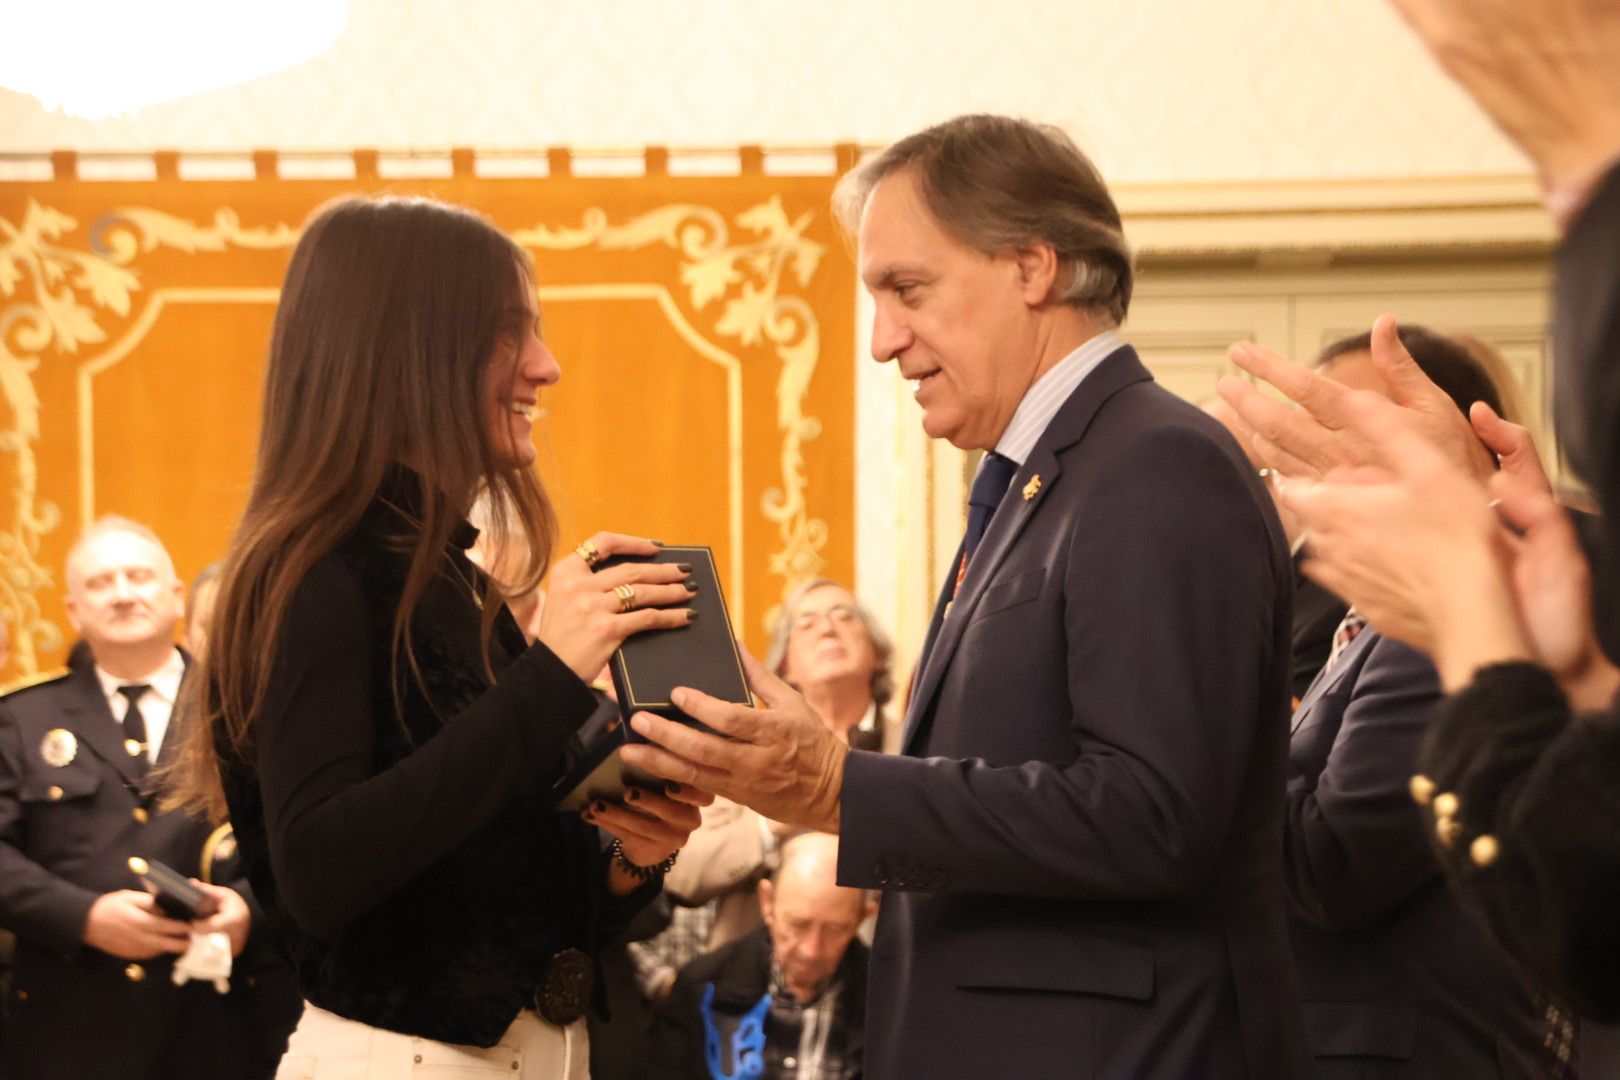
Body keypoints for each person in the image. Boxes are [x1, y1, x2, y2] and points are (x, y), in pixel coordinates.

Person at [623, 114, 1310, 1078]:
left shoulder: (1155, 464)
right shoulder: (1038, 480)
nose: (879, 341)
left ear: (1033, 267)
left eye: (907, 289)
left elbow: (1153, 814)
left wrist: (837, 788)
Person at [164, 195, 710, 1079]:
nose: (548, 367)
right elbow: (320, 872)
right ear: (410, 349)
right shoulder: (315, 571)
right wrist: (552, 674)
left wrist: (625, 862)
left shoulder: (451, 582)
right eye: (511, 334)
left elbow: (491, 910)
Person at [1279, 329, 1563, 1075]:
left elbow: (1337, 863)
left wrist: (1203, 738)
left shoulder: (1443, 624)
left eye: (1361, 428)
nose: (1330, 458)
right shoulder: (1372, 621)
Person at [0, 517, 299, 1080]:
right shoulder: (20, 719)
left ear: (174, 596)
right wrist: (83, 916)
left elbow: (303, 835)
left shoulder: (246, 706)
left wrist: (251, 911)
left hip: (222, 1027)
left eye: (138, 576)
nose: (121, 594)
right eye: (100, 582)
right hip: (70, 1030)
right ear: (72, 611)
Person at [657, 580, 895, 961]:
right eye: (806, 622)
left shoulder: (919, 744)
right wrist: (770, 828)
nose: (827, 627)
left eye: (844, 616)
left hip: (889, 963)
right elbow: (682, 871)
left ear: (878, 654)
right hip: (754, 982)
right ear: (785, 666)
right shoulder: (743, 746)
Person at [653, 832, 871, 1080]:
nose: (812, 951)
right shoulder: (700, 987)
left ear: (862, 918)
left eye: (836, 929)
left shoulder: (892, 1002)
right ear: (767, 902)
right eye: (798, 924)